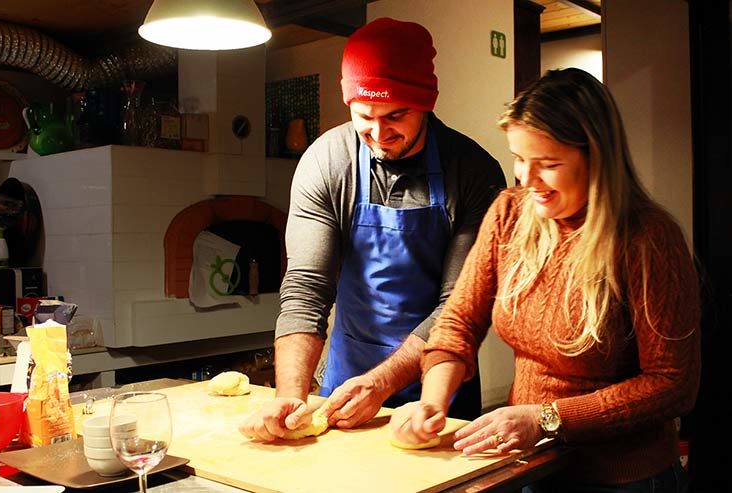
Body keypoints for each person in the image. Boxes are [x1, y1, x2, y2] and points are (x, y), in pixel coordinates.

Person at [390, 68, 700, 493]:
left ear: (596, 157)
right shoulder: (509, 213)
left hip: (625, 478)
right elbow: (458, 322)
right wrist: (431, 403)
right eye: (519, 159)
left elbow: (672, 385)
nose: (527, 180)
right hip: (535, 465)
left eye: (548, 164)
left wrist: (548, 418)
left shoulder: (648, 238)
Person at [238, 17, 505, 442]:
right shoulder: (327, 161)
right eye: (364, 116)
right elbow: (307, 285)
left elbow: (459, 306)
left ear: (426, 104)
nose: (379, 133)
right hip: (345, 388)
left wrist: (382, 383)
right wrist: (290, 396)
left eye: (396, 115)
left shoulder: (473, 172)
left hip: (440, 395)